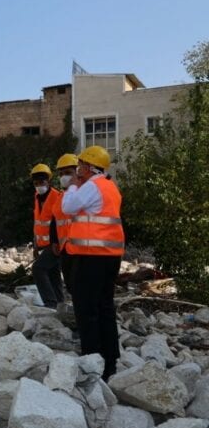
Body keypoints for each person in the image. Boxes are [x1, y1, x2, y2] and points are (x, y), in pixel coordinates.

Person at [62, 145, 125, 381]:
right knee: (105, 307)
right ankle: (110, 361)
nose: (77, 171)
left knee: (86, 308)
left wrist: (72, 186)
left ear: (88, 167)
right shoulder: (110, 187)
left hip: (91, 257)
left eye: (80, 166)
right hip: (110, 257)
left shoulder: (91, 186)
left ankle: (92, 360)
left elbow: (68, 207)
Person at [30, 163, 63, 308]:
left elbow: (59, 221)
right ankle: (59, 302)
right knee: (53, 273)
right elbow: (38, 222)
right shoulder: (37, 197)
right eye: (36, 183)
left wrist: (56, 241)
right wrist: (36, 245)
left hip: (56, 243)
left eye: (42, 182)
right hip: (44, 244)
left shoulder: (57, 196)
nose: (39, 185)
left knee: (38, 269)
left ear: (48, 181)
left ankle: (50, 302)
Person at [53, 153, 79, 294]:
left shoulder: (83, 192)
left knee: (79, 286)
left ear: (77, 172)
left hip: (80, 248)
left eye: (68, 172)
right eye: (61, 173)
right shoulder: (62, 196)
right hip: (65, 247)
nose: (64, 176)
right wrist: (55, 241)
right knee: (70, 285)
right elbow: (55, 220)